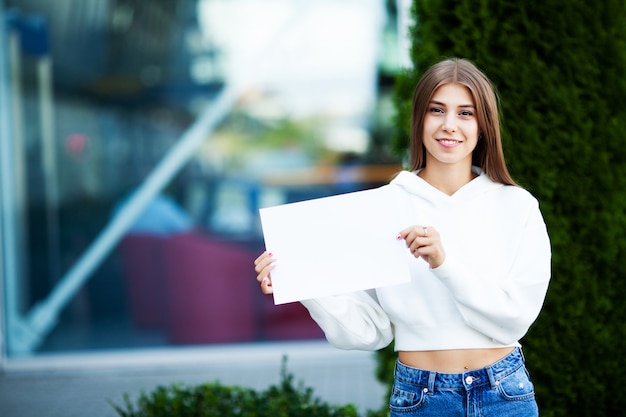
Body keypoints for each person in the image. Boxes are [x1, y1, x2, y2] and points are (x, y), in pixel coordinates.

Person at [254, 57, 551, 416]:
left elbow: (515, 318)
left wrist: (444, 264)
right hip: (421, 397)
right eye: (436, 110)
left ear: (484, 125)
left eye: (465, 113)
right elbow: (369, 330)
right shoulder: (384, 206)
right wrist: (300, 280)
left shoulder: (515, 206)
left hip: (504, 395)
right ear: (419, 119)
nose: (449, 125)